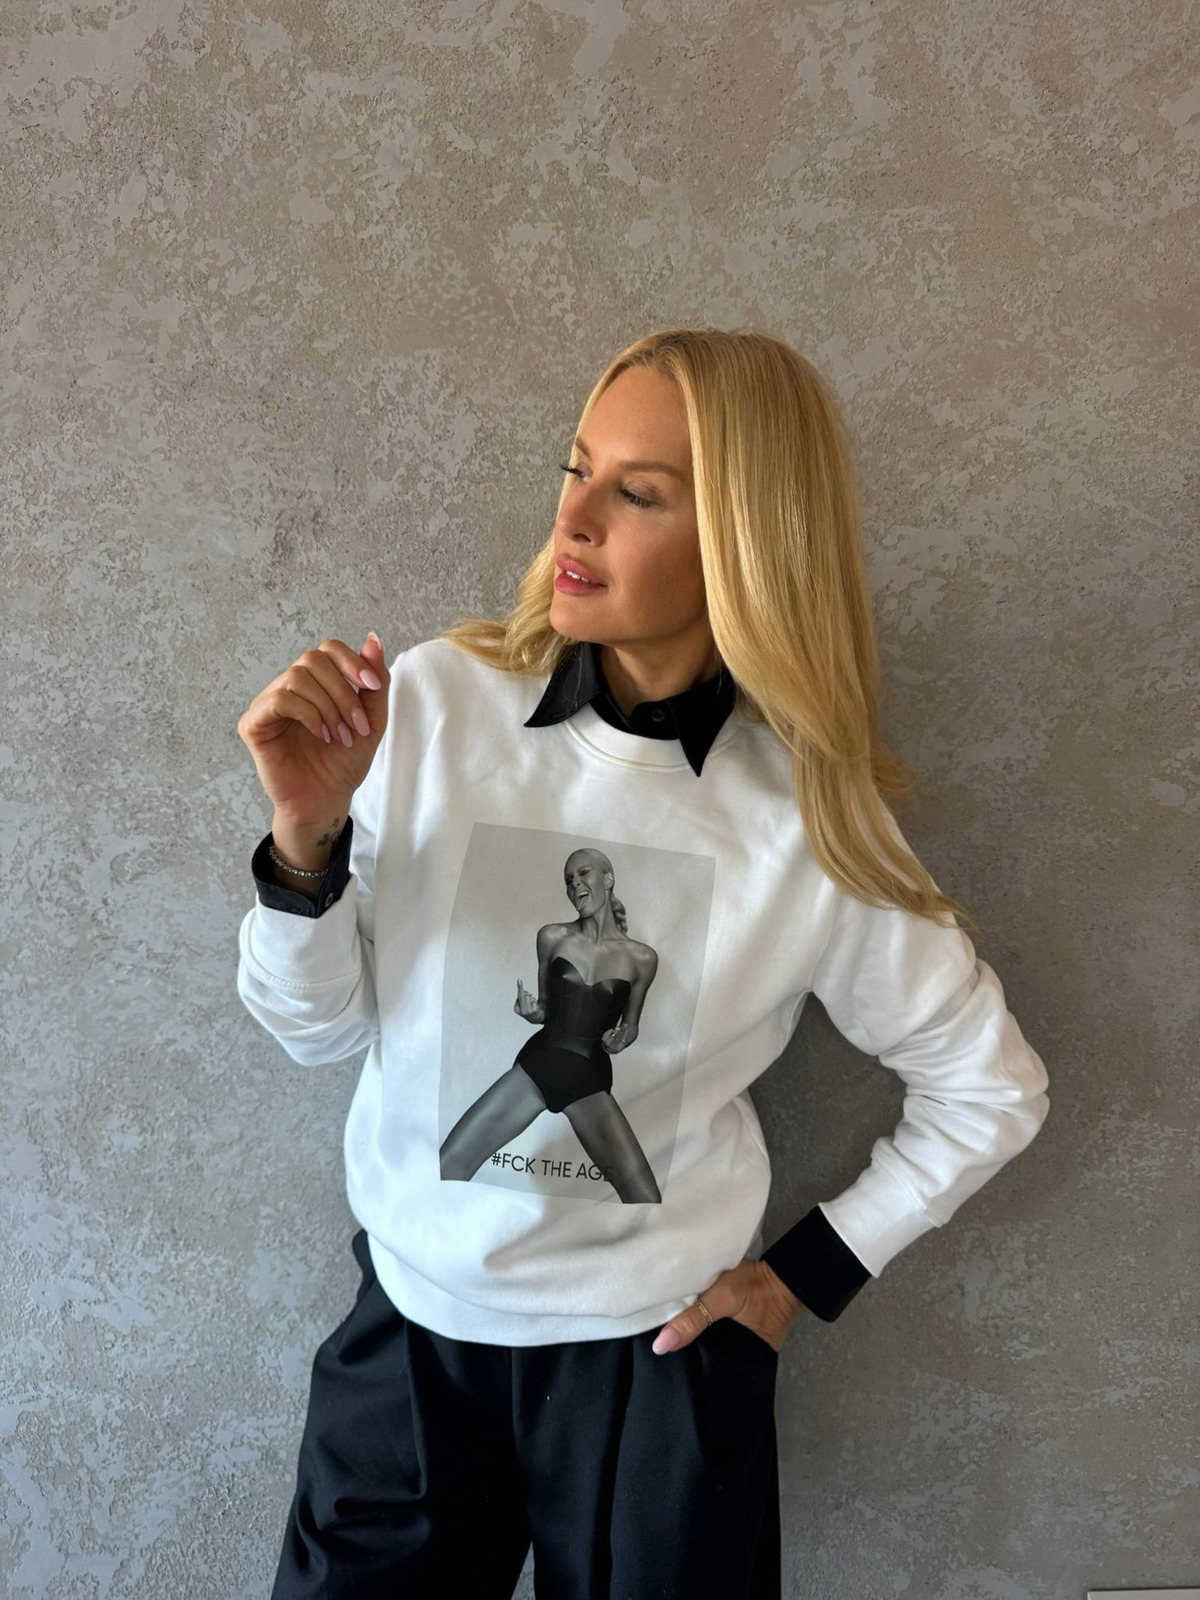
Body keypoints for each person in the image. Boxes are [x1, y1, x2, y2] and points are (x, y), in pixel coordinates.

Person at [236, 327, 1051, 1599]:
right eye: (578, 469)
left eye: (640, 492)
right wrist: (305, 840)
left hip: (656, 1365)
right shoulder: (433, 706)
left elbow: (991, 1090)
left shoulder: (803, 817)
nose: (576, 517)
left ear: (744, 537)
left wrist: (803, 1277)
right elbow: (317, 1030)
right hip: (411, 1346)